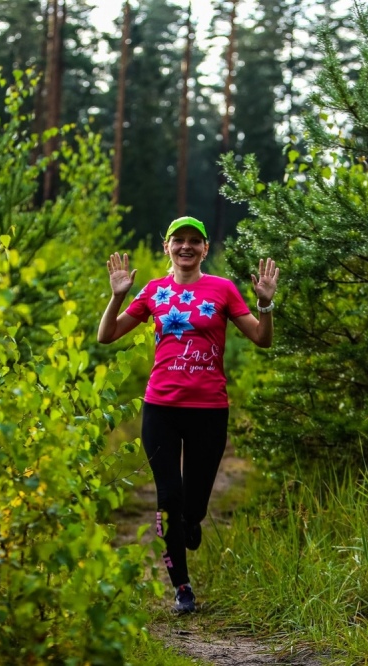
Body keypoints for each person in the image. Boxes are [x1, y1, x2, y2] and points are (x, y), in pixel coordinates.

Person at [97, 216, 279, 613]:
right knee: (168, 498)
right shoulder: (153, 291)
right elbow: (106, 335)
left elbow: (261, 339)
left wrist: (265, 304)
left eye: (194, 241)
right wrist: (117, 296)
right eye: (178, 240)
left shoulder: (223, 289)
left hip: (209, 411)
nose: (186, 246)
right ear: (166, 247)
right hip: (160, 409)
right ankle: (182, 588)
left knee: (192, 507)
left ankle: (190, 521)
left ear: (205, 249)